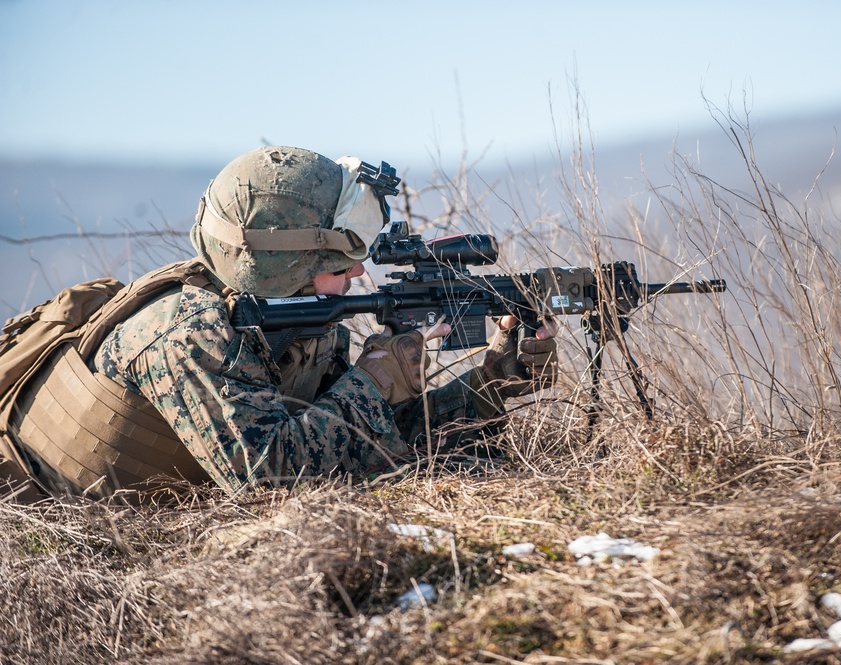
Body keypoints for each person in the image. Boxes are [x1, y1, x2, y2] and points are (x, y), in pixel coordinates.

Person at [2, 146, 558, 498]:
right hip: (29, 503)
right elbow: (267, 475)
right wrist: (372, 383)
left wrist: (491, 384)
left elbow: (360, 441)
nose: (360, 270)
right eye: (340, 260)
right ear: (289, 262)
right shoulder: (188, 332)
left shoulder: (299, 317)